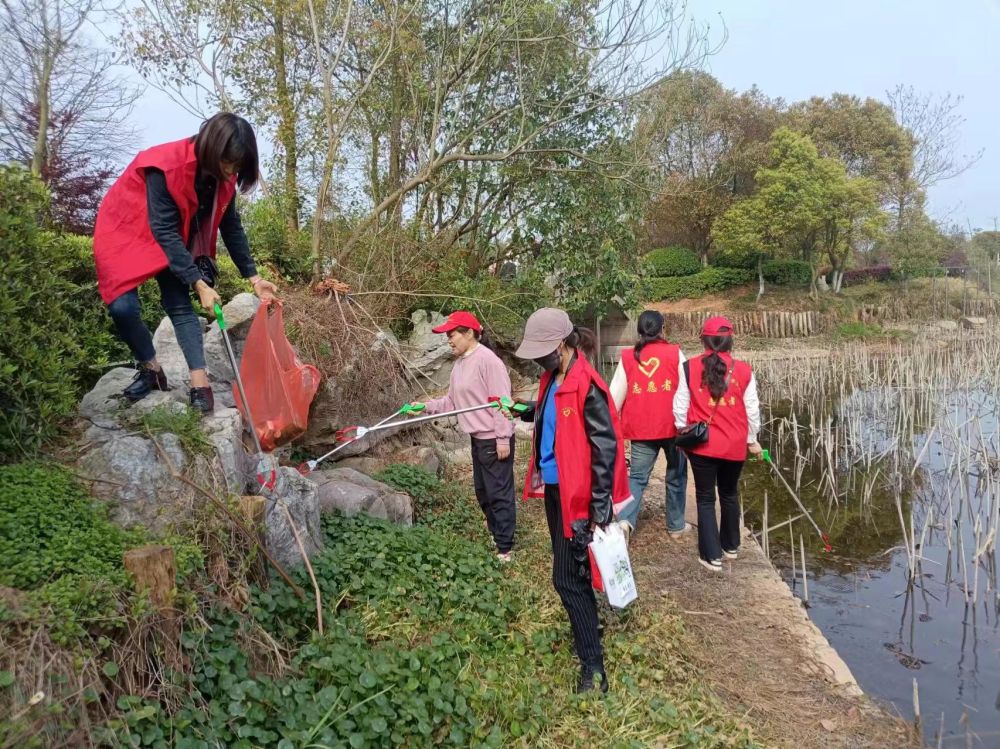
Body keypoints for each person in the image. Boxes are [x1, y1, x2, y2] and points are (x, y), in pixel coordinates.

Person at [93, 112, 278, 415]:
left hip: (172, 231)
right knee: (122, 308)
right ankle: (151, 369)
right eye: (227, 162)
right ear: (211, 147)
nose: (230, 170)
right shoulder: (164, 165)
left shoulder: (224, 179)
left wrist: (254, 278)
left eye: (237, 166)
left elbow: (230, 226)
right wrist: (199, 283)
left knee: (178, 302)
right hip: (127, 227)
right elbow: (162, 229)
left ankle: (199, 383)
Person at [513, 308, 633, 693]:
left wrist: (598, 510)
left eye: (542, 352)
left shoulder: (588, 383)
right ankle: (588, 628)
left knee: (565, 578)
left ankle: (594, 670)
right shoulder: (553, 377)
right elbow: (553, 418)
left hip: (578, 497)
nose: (537, 360)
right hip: (555, 489)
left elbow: (606, 448)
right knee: (573, 573)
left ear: (563, 345)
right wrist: (525, 410)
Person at [416, 311, 516, 561]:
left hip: (494, 438)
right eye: (447, 336)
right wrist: (424, 407)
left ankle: (505, 547)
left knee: (498, 492)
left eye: (452, 335)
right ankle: (495, 530)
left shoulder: (488, 361)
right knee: (483, 491)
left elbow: (501, 402)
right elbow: (451, 402)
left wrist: (503, 438)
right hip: (477, 438)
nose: (448, 340)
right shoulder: (459, 365)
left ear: (469, 333)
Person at [673, 316, 762, 572]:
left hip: (703, 445)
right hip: (734, 445)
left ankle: (711, 556)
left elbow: (680, 406)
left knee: (704, 497)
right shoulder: (744, 370)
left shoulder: (689, 367)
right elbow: (752, 410)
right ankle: (731, 545)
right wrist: (752, 440)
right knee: (729, 493)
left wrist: (682, 429)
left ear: (704, 340)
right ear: (729, 340)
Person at [609, 310, 690, 540]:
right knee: (677, 474)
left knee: (637, 478)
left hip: (641, 429)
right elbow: (687, 390)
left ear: (639, 331)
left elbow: (615, 399)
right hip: (674, 427)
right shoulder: (676, 353)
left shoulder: (628, 357)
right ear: (662, 329)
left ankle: (625, 522)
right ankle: (676, 526)